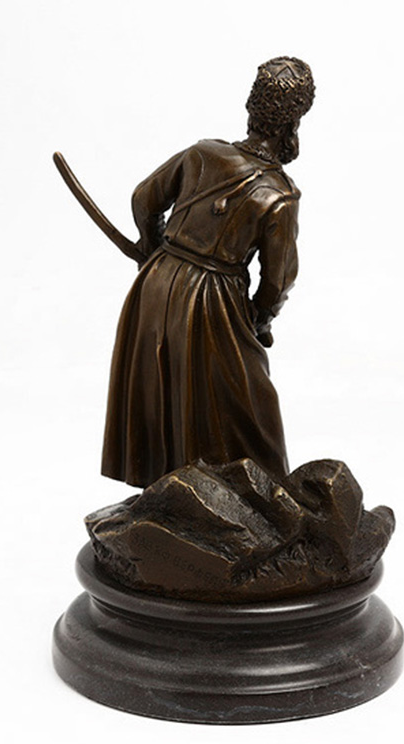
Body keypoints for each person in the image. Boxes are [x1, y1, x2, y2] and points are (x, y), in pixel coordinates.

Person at [102, 57, 315, 488]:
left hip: (154, 284)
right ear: (294, 123)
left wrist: (153, 249)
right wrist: (259, 321)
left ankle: (187, 495)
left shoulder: (202, 153)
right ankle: (252, 497)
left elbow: (144, 200)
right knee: (248, 404)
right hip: (211, 300)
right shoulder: (279, 196)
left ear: (251, 107)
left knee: (169, 385)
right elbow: (277, 282)